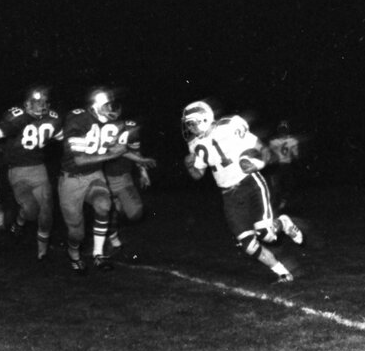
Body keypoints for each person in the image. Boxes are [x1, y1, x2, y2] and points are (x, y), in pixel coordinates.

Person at [182, 100, 304, 283]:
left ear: (204, 118)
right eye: (188, 124)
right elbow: (198, 175)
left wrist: (258, 162)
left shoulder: (230, 125)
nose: (190, 128)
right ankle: (284, 274)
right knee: (248, 245)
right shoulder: (195, 144)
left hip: (250, 184)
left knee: (267, 235)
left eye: (192, 122)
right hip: (228, 195)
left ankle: (283, 222)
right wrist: (189, 165)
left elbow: (261, 148)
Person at [59, 87, 156, 274]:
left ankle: (98, 254)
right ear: (96, 105)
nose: (114, 110)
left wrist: (139, 160)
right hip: (71, 179)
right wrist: (111, 156)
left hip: (95, 175)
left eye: (115, 105)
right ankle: (73, 253)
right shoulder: (78, 119)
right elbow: (79, 160)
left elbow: (116, 148)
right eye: (109, 106)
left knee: (104, 205)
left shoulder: (110, 124)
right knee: (76, 233)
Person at [0, 86, 63, 261]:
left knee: (46, 210)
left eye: (44, 102)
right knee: (31, 211)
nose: (41, 106)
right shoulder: (16, 116)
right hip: (17, 170)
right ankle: (20, 220)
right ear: (27, 103)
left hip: (39, 168)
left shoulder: (52, 118)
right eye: (36, 102)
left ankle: (41, 251)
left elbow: (63, 138)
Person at [102, 101, 156, 256]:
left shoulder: (129, 127)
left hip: (123, 177)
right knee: (105, 209)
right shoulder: (96, 126)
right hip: (102, 177)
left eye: (114, 109)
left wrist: (143, 172)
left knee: (135, 213)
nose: (111, 112)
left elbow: (136, 152)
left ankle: (113, 219)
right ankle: (113, 240)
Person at [265, 119, 301, 212]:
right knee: (284, 185)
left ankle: (278, 203)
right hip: (285, 165)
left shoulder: (274, 141)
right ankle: (280, 202)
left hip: (278, 166)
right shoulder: (292, 140)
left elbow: (269, 154)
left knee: (279, 186)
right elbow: (296, 155)